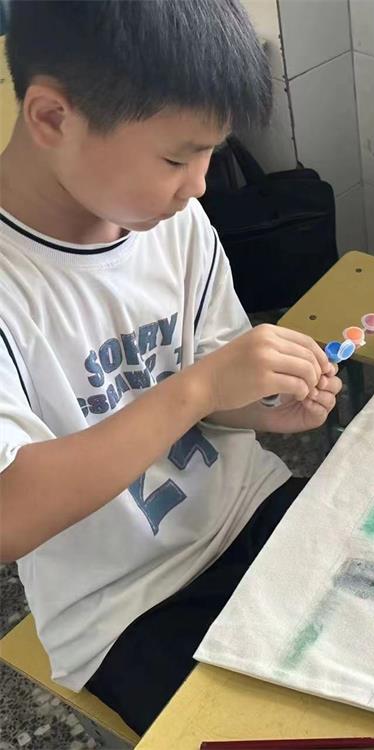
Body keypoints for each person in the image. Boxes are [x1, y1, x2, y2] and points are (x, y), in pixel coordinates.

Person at [0, 0, 340, 732]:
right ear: (53, 118)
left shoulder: (173, 221)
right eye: (176, 158)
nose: (200, 185)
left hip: (247, 509)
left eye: (211, 154)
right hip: (126, 604)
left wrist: (263, 402)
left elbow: (213, 384)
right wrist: (201, 388)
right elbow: (8, 514)